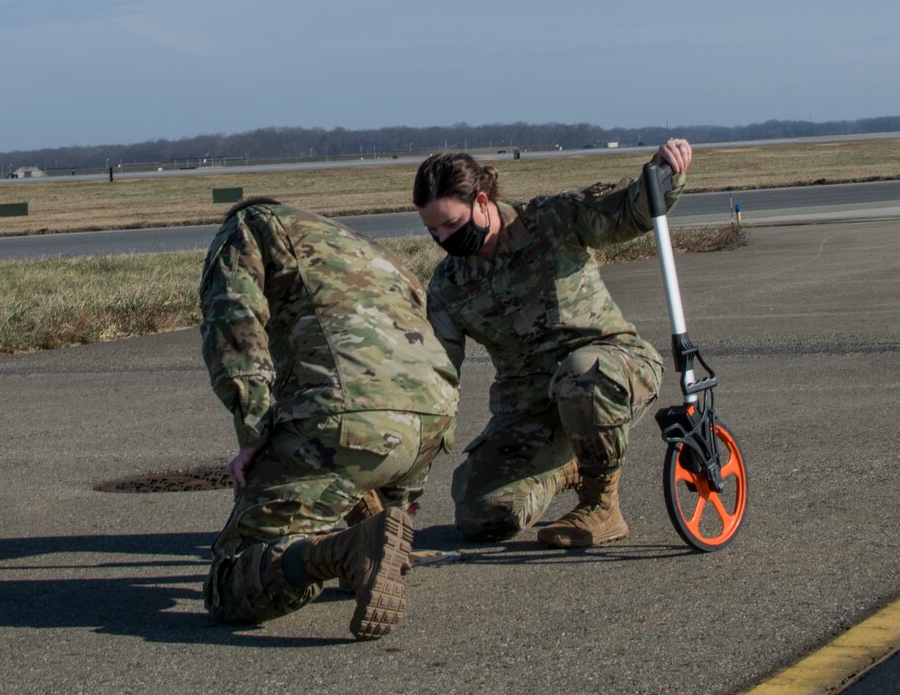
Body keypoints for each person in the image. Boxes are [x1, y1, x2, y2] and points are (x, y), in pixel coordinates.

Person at [199, 197, 459, 638]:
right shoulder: (362, 248)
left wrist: (253, 431)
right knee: (353, 458)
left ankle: (341, 553)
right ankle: (377, 544)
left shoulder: (246, 226)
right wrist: (401, 502)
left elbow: (233, 323)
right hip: (431, 422)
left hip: (347, 419)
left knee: (227, 586)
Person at [413, 141, 693, 549]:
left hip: (609, 370)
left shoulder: (551, 219)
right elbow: (435, 375)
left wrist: (665, 171)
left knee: (581, 378)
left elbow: (626, 212)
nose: (444, 238)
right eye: (433, 230)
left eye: (451, 224)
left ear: (481, 201)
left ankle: (602, 505)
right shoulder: (449, 285)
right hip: (532, 407)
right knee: (482, 516)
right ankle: (572, 464)